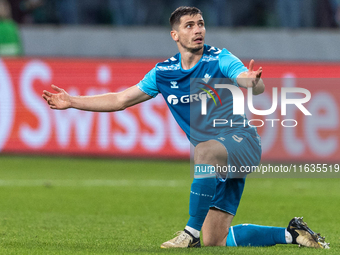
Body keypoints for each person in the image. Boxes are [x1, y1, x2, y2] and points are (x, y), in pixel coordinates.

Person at [42, 6, 329, 249]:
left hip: (241, 143)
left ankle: (188, 235)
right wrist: (72, 101)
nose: (197, 29)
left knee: (202, 150)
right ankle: (292, 234)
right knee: (215, 240)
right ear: (175, 35)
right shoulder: (163, 72)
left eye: (201, 24)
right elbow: (120, 99)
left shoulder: (219, 57)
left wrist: (252, 80)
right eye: (189, 25)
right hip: (215, 159)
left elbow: (246, 79)